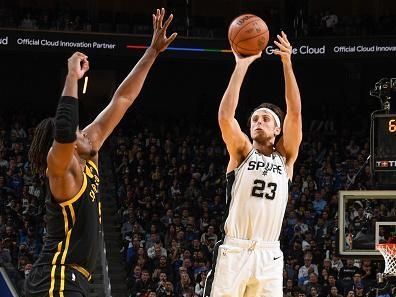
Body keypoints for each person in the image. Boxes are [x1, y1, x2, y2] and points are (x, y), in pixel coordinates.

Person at [25, 8, 177, 297]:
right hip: (56, 278)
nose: (87, 132)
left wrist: (152, 52)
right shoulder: (61, 171)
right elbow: (66, 128)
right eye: (79, 132)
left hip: (73, 279)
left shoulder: (88, 153)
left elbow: (122, 98)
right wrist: (72, 75)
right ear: (67, 144)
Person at [204, 31, 302, 297]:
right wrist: (241, 65)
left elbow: (294, 111)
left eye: (266, 119)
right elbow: (225, 117)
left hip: (269, 253)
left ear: (278, 129)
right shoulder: (242, 153)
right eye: (255, 119)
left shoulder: (286, 158)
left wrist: (287, 63)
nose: (258, 122)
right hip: (235, 250)